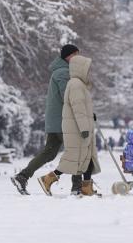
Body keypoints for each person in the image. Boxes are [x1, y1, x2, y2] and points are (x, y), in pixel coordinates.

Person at [10, 44, 79, 195]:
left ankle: (22, 176)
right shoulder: (63, 72)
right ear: (67, 56)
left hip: (55, 120)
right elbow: (68, 97)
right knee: (76, 151)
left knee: (49, 152)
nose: (77, 57)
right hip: (63, 121)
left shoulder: (60, 71)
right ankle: (77, 188)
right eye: (75, 54)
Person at [40, 55, 100, 196]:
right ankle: (48, 179)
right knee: (73, 158)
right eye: (87, 69)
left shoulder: (79, 84)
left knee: (87, 158)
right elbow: (77, 108)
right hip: (77, 129)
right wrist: (84, 127)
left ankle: (85, 188)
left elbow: (82, 108)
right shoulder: (75, 85)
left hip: (79, 126)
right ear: (80, 69)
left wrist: (91, 115)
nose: (88, 72)